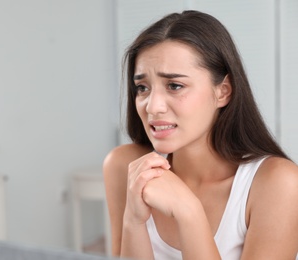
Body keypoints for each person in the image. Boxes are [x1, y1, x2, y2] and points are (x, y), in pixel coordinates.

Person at [103, 10, 298, 260]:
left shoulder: (277, 184)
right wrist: (134, 220)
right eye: (142, 88)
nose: (152, 106)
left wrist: (189, 213)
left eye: (175, 86)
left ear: (223, 92)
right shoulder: (126, 166)